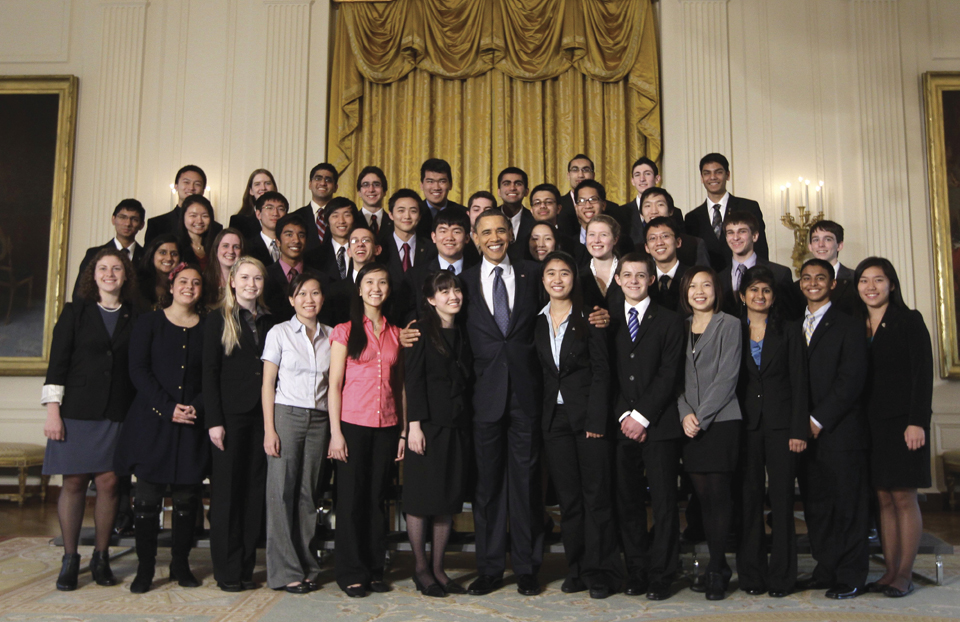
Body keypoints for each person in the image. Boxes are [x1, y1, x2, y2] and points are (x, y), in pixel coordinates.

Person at [42, 249, 138, 591]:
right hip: (77, 411)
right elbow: (58, 363)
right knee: (74, 483)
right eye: (103, 268)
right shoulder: (75, 312)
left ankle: (101, 556)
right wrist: (53, 410)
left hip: (117, 410)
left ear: (125, 275)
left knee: (110, 483)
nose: (110, 273)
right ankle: (70, 558)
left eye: (116, 268)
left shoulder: (136, 314)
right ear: (92, 274)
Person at [462, 210, 544, 596]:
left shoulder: (532, 275)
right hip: (484, 399)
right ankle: (491, 568)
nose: (494, 238)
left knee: (526, 485)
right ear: (475, 239)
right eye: (486, 233)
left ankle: (527, 567)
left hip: (527, 397)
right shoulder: (461, 282)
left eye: (500, 231)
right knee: (489, 487)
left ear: (510, 234)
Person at [115, 263, 208, 594]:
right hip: (153, 422)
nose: (189, 287)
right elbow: (138, 371)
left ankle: (180, 564)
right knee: (147, 501)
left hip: (193, 423)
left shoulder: (209, 326)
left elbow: (213, 374)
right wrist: (168, 408)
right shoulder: (149, 322)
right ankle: (145, 568)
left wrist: (194, 405)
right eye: (183, 281)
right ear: (171, 286)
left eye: (196, 282)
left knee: (186, 500)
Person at [535, 251, 620, 599]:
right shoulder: (536, 320)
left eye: (565, 273)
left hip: (589, 421)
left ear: (575, 278)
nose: (558, 279)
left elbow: (603, 372)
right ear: (543, 280)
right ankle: (578, 569)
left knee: (596, 498)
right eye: (551, 273)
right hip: (554, 422)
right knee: (569, 502)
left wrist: (597, 420)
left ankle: (602, 571)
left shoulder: (590, 318)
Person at [609, 252, 685, 601]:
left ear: (652, 279)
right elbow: (605, 374)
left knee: (666, 503)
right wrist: (625, 415)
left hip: (660, 426)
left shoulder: (670, 320)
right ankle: (636, 571)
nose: (634, 281)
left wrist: (642, 416)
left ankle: (662, 573)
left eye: (641, 275)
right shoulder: (606, 320)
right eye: (628, 275)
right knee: (628, 503)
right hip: (621, 427)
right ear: (618, 279)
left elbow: (670, 373)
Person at [855, 257, 933, 598]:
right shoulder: (855, 324)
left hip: (904, 424)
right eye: (864, 281)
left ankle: (905, 572)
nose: (871, 287)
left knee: (903, 496)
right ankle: (888, 570)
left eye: (878, 280)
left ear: (892, 284)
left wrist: (917, 421)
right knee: (882, 498)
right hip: (868, 425)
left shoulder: (908, 320)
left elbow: (923, 374)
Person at [328, 263, 406, 598]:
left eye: (382, 282)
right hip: (351, 425)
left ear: (389, 290)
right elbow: (333, 385)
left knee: (377, 500)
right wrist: (335, 433)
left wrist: (403, 431)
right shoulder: (344, 331)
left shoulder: (397, 333)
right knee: (350, 502)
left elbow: (400, 385)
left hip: (386, 426)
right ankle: (350, 571)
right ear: (359, 290)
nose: (376, 287)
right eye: (369, 282)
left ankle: (375, 568)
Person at [795, 258, 869, 599]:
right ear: (800, 284)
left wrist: (816, 420)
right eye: (807, 278)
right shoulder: (793, 326)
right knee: (817, 506)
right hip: (804, 434)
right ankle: (825, 569)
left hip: (839, 432)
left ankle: (850, 574)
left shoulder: (850, 325)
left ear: (833, 284)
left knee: (847, 506)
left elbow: (850, 381)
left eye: (820, 278)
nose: (813, 283)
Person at [734, 266, 809, 598]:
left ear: (773, 296)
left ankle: (782, 577)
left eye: (765, 290)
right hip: (744, 427)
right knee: (748, 501)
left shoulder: (790, 331)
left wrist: (798, 429)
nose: (759, 296)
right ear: (742, 295)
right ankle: (751, 575)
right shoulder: (731, 329)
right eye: (753, 290)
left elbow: (800, 383)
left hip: (782, 428)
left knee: (781, 505)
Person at [203, 256, 274, 592]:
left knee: (253, 492)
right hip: (229, 418)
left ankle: (246, 567)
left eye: (257, 278)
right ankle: (228, 571)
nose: (251, 284)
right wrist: (214, 422)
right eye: (244, 277)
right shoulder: (218, 320)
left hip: (264, 416)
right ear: (232, 281)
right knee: (228, 495)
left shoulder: (273, 321)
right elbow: (210, 374)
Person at [260, 271, 333, 593]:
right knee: (281, 493)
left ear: (322, 299)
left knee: (308, 495)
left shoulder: (333, 336)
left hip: (319, 420)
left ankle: (306, 565)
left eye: (315, 293)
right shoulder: (279, 333)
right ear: (291, 299)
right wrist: (269, 429)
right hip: (285, 415)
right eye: (302, 294)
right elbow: (267, 384)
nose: (309, 300)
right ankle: (284, 571)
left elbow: (334, 386)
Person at [403, 270, 473, 597]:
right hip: (427, 425)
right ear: (431, 300)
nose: (452, 296)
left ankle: (439, 569)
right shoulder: (418, 330)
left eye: (455, 289)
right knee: (421, 499)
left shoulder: (463, 330)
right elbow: (412, 380)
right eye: (443, 292)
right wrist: (413, 426)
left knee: (446, 498)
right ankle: (420, 569)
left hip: (456, 423)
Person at [676, 266, 742, 600]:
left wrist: (699, 416)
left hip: (721, 422)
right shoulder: (680, 326)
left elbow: (727, 378)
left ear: (717, 289)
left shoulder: (729, 324)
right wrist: (685, 413)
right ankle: (718, 564)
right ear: (685, 292)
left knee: (719, 498)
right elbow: (674, 378)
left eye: (706, 285)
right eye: (693, 286)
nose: (699, 291)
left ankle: (718, 567)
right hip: (689, 425)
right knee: (701, 500)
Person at [684, 153, 768, 271]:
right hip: (709, 283)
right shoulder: (692, 217)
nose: (712, 177)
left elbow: (761, 248)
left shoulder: (749, 207)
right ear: (702, 178)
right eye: (707, 173)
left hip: (748, 278)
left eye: (718, 172)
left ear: (727, 175)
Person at [402, 208, 476, 323]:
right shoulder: (415, 276)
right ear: (433, 237)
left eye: (456, 231)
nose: (449, 237)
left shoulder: (478, 274)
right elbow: (408, 316)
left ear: (467, 238)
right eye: (443, 231)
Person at [719, 213, 796, 319]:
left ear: (754, 236)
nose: (735, 237)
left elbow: (791, 316)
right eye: (730, 232)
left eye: (742, 231)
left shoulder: (779, 273)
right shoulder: (718, 278)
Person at [377, 190, 437, 320]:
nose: (407, 216)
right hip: (387, 319)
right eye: (401, 210)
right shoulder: (380, 248)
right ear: (391, 215)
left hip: (424, 320)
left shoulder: (432, 248)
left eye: (413, 211)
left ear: (420, 216)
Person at [72, 199, 145, 300]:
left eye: (134, 219)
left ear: (142, 225)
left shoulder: (147, 256)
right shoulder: (94, 254)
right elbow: (80, 293)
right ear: (113, 219)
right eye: (122, 217)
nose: (127, 223)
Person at [263, 215, 323, 322]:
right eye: (289, 235)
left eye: (301, 235)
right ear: (278, 241)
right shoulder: (264, 276)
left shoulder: (319, 278)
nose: (296, 240)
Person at [321, 224, 381, 327]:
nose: (360, 245)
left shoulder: (389, 288)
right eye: (354, 241)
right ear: (349, 252)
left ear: (377, 249)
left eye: (366, 240)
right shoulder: (333, 291)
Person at [145, 165, 222, 244]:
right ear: (176, 186)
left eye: (197, 184)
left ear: (203, 190)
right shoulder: (158, 224)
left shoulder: (216, 228)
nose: (191, 188)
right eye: (186, 182)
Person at [619, 157, 685, 244]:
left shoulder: (675, 212)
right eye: (637, 175)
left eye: (647, 174)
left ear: (657, 179)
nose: (642, 179)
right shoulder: (621, 212)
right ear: (632, 181)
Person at [639, 188, 708, 268]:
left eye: (660, 204)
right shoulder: (637, 250)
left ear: (671, 211)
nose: (654, 211)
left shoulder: (695, 244)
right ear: (641, 214)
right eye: (647, 205)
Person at [305, 197, 359, 280]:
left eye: (347, 215)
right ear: (327, 222)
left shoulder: (362, 251)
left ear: (354, 220)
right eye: (335, 216)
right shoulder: (313, 257)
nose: (341, 221)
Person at [575, 180, 632, 256]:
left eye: (593, 199)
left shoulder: (623, 242)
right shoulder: (569, 243)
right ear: (576, 208)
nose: (588, 206)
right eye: (582, 200)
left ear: (603, 205)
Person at [644, 217, 689, 313]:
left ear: (678, 242)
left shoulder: (692, 276)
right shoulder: (643, 280)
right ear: (647, 248)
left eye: (665, 236)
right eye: (652, 238)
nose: (659, 243)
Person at [291, 163, 339, 250]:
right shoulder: (295, 217)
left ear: (335, 187)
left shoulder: (343, 219)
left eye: (328, 180)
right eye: (318, 178)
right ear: (310, 184)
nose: (323, 183)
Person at [580, 215, 623, 311]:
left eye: (603, 235)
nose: (596, 240)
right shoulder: (578, 276)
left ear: (615, 239)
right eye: (591, 234)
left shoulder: (628, 271)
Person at [418, 158, 467, 236]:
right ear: (422, 185)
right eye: (430, 181)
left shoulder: (464, 213)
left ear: (450, 185)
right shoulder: (415, 214)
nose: (436, 187)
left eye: (442, 181)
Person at [496, 167, 536, 259]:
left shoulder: (534, 219)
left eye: (518, 183)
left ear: (526, 191)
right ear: (499, 191)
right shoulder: (489, 217)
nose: (512, 188)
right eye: (506, 184)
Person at [244, 191, 290, 266]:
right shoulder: (247, 247)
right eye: (269, 208)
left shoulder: (292, 245)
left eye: (281, 209)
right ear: (258, 214)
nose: (275, 213)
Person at [230, 169, 278, 239]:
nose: (263, 188)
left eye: (267, 183)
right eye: (257, 184)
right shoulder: (238, 221)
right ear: (251, 191)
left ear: (274, 188)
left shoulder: (284, 218)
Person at [137, 234, 181, 310]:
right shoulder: (138, 283)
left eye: (174, 254)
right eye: (163, 253)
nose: (168, 258)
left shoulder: (183, 285)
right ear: (152, 255)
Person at [204, 228, 244, 307]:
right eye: (225, 246)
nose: (231, 251)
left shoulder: (247, 282)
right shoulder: (204, 280)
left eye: (236, 247)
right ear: (216, 249)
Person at [177, 195, 217, 272]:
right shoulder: (176, 245)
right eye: (193, 215)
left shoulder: (217, 245)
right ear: (183, 217)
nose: (199, 221)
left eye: (204, 216)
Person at [356, 166, 389, 238]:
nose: (371, 190)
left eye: (376, 184)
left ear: (384, 191)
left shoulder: (394, 222)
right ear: (359, 192)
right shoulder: (352, 221)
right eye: (365, 185)